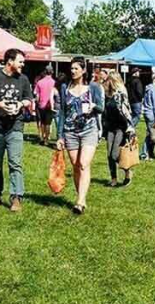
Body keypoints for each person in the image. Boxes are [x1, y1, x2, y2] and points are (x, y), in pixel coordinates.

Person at [0, 50, 33, 211]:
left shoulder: (23, 79)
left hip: (15, 126)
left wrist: (20, 104)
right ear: (10, 61)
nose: (23, 64)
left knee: (15, 162)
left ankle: (16, 197)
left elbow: (28, 99)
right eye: (20, 61)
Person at [56, 57, 104, 213]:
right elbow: (62, 112)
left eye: (76, 68)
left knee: (83, 164)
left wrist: (93, 106)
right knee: (76, 166)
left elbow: (101, 108)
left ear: (83, 70)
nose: (73, 71)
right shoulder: (65, 87)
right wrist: (60, 136)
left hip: (89, 130)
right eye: (71, 68)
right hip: (70, 131)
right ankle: (80, 197)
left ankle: (80, 202)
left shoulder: (93, 87)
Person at [102, 71, 135, 187]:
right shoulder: (107, 94)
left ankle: (127, 171)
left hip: (121, 127)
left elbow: (127, 111)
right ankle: (114, 179)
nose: (107, 82)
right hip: (110, 127)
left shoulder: (121, 93)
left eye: (109, 80)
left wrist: (130, 127)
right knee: (109, 155)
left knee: (114, 154)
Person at [140, 72, 155, 162]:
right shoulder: (154, 89)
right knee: (151, 135)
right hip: (152, 114)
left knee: (152, 135)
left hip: (147, 113)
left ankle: (150, 153)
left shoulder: (148, 88)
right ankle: (144, 154)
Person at [33, 65, 56, 145]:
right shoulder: (54, 82)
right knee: (48, 123)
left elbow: (36, 95)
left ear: (45, 72)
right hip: (50, 105)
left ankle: (42, 137)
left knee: (42, 122)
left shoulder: (39, 82)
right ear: (52, 72)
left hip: (41, 105)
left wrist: (37, 102)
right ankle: (46, 139)